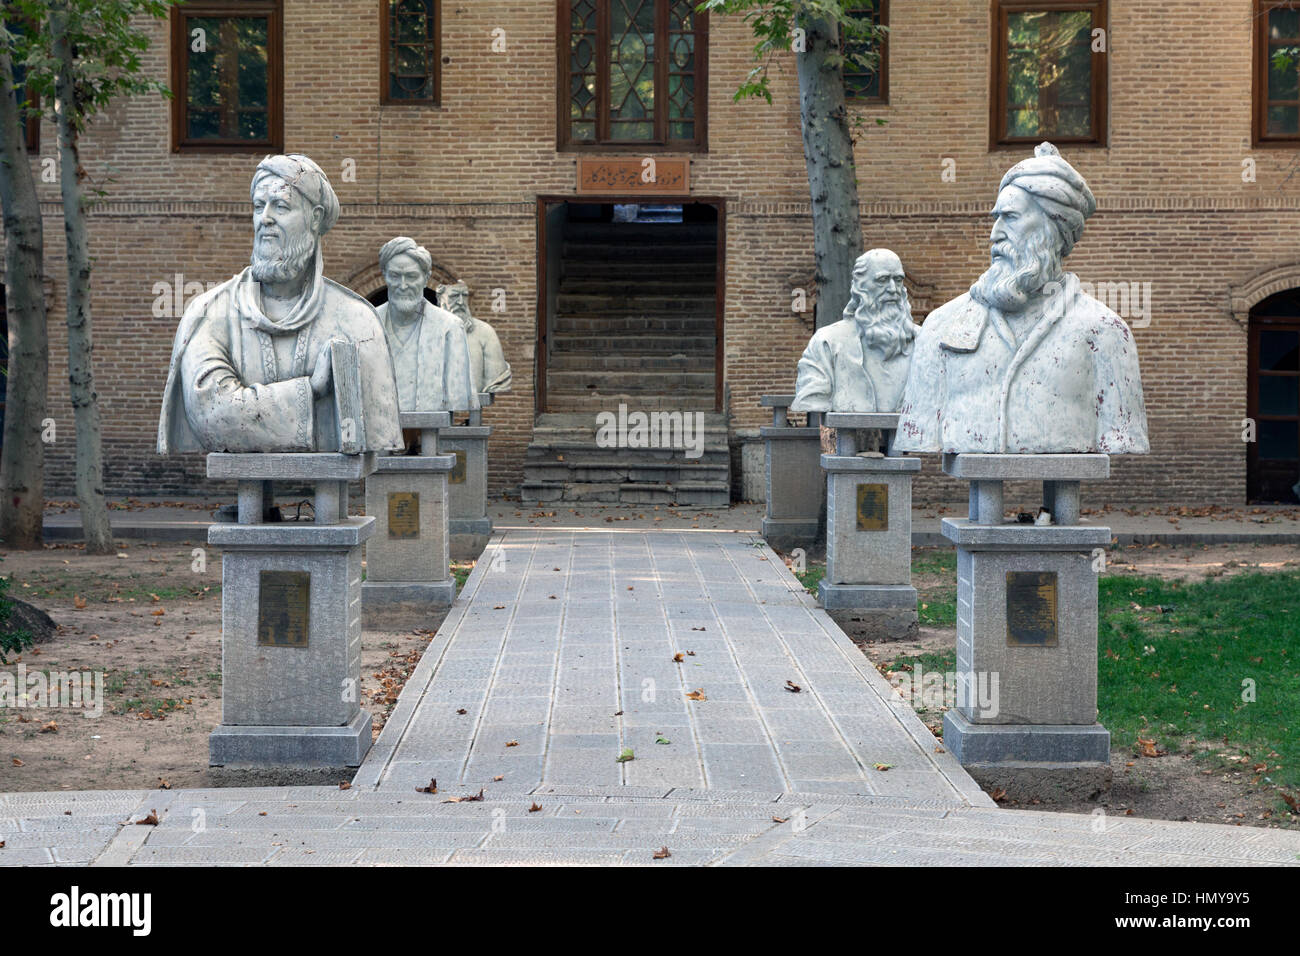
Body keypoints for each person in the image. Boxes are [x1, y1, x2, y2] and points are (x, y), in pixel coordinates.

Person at [895, 142, 1149, 455]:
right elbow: (919, 427)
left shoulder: (1106, 332)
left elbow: (1122, 431)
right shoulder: (939, 326)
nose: (995, 233)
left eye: (1011, 217)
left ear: (1052, 228)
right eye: (996, 218)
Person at [157, 154, 402, 454]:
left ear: (314, 219)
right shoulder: (210, 313)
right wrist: (311, 390)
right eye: (259, 206)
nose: (265, 218)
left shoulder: (357, 320)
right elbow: (212, 416)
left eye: (281, 206)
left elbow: (376, 426)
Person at [791, 248, 920, 413]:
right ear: (861, 286)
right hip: (849, 436)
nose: (893, 289)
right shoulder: (827, 342)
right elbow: (811, 398)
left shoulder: (924, 341)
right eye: (882, 280)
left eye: (898, 280)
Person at [375, 237, 477, 413]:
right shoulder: (369, 322)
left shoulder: (450, 328)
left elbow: (458, 396)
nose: (403, 285)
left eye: (412, 277)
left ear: (426, 278)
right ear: (385, 276)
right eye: (395, 276)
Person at [437, 281, 512, 395]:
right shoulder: (427, 332)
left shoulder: (486, 332)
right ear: (441, 299)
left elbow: (497, 378)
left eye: (465, 296)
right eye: (454, 296)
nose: (461, 302)